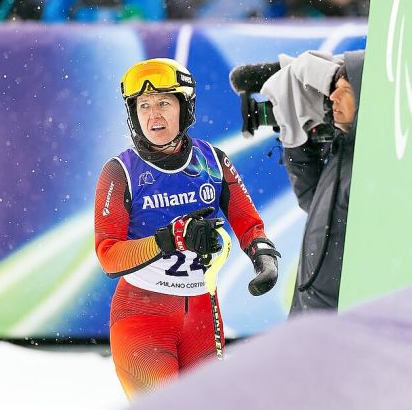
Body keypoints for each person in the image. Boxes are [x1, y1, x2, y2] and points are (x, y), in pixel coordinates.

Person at [94, 58, 280, 398]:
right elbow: (108, 256)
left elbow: (248, 221)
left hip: (202, 314)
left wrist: (263, 256)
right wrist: (170, 239)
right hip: (142, 317)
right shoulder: (120, 172)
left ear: (185, 107)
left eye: (164, 102)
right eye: (144, 106)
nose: (154, 116)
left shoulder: (212, 160)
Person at [260, 50, 363, 313]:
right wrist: (296, 140)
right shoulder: (344, 152)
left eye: (345, 90)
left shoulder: (368, 166)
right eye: (334, 89)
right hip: (310, 312)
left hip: (337, 320)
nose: (333, 97)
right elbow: (311, 198)